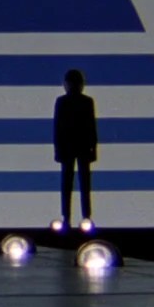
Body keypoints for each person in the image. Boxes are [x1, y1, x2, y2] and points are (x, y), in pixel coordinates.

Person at [53, 69, 98, 225]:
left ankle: (81, 216)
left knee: (77, 183)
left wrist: (93, 148)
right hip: (75, 147)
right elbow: (58, 128)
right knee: (75, 183)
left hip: (75, 147)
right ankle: (74, 216)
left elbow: (91, 127)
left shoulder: (76, 102)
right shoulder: (81, 102)